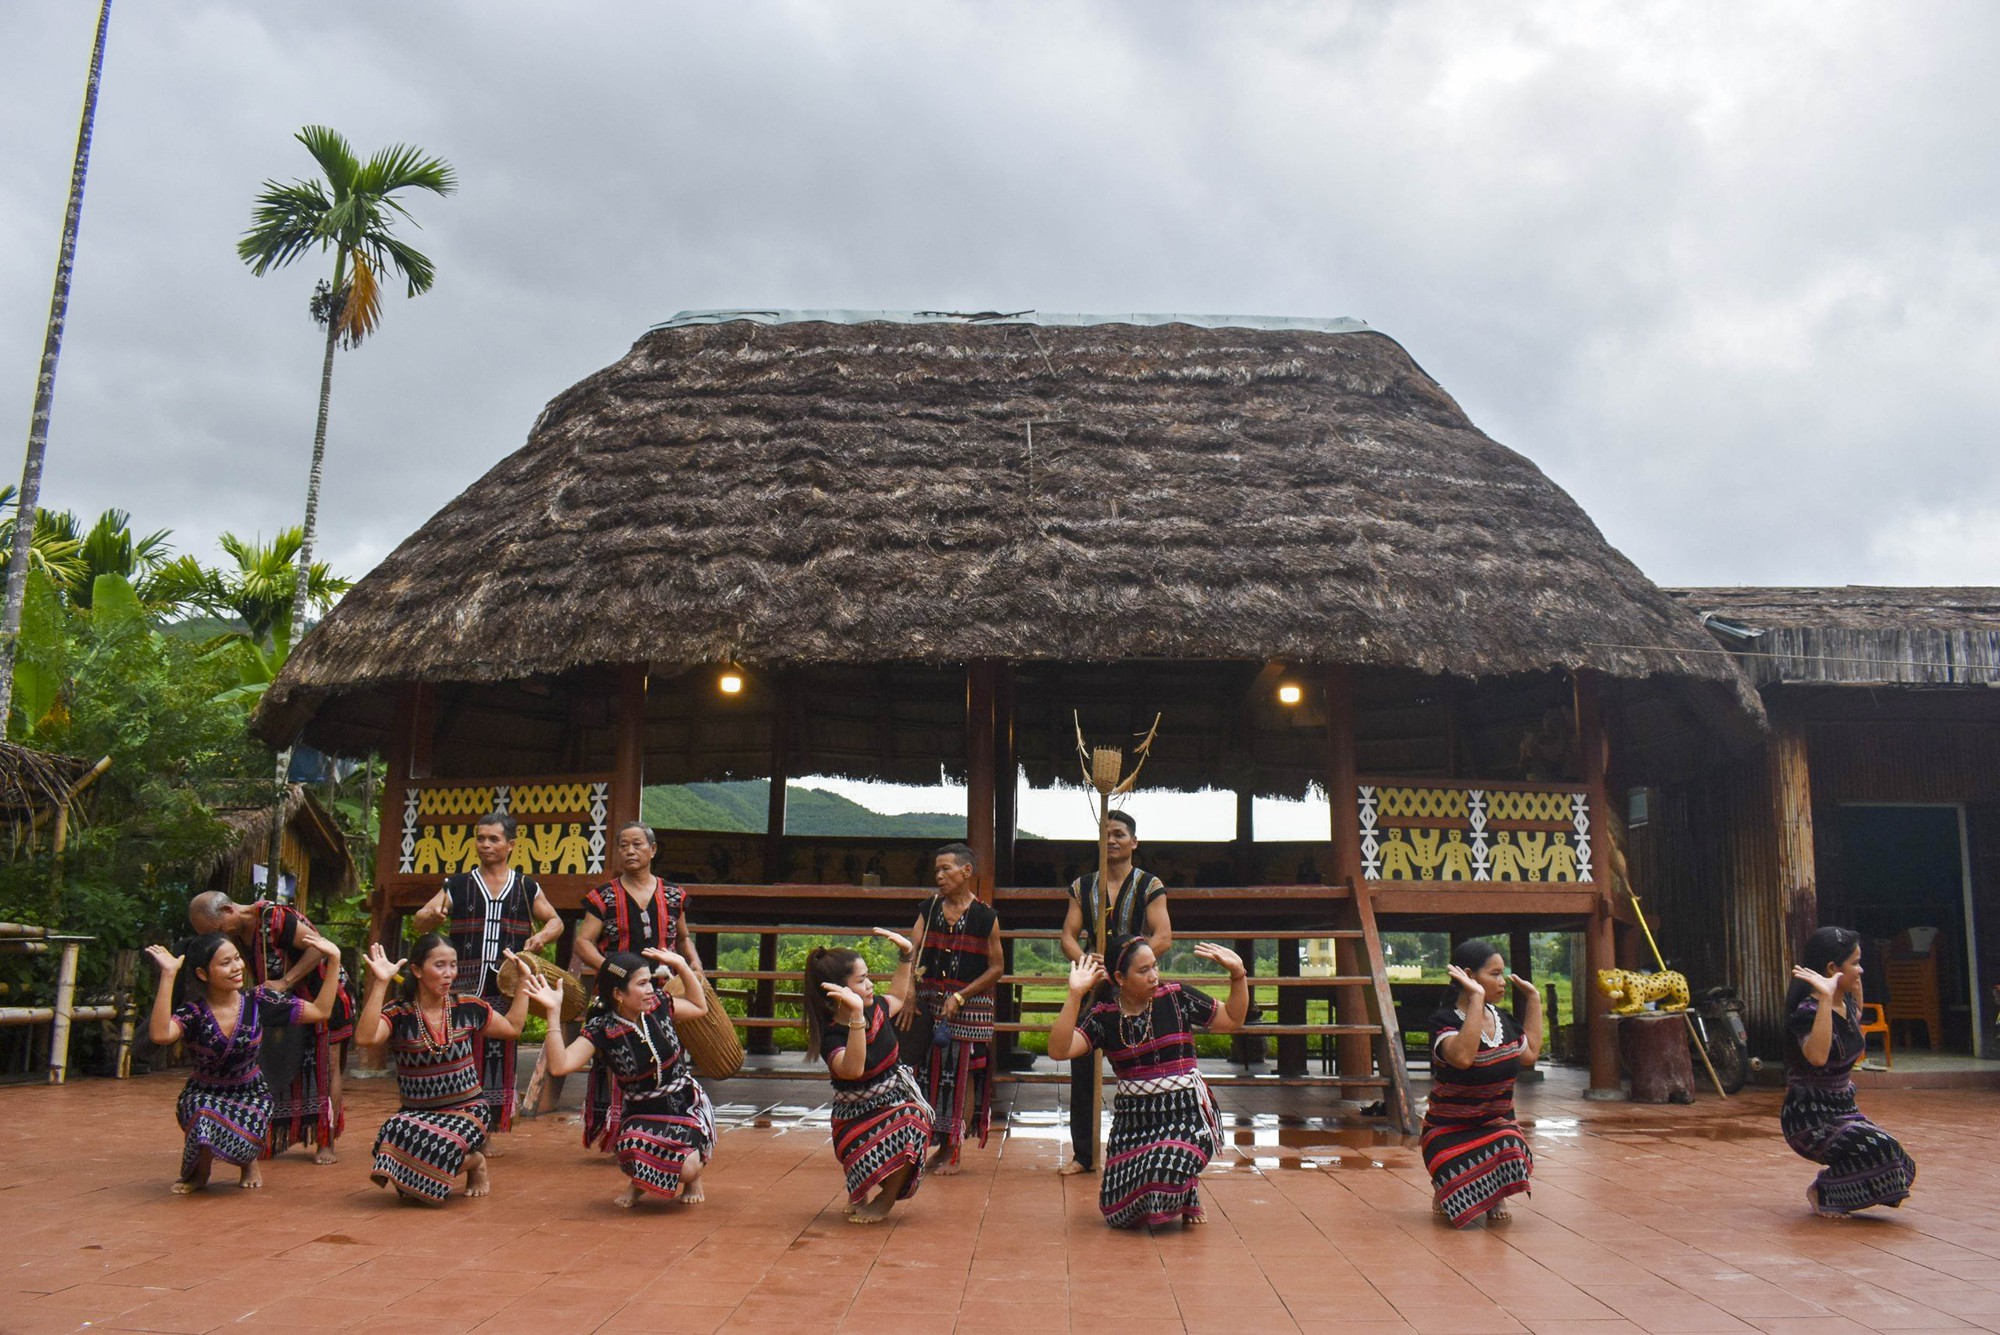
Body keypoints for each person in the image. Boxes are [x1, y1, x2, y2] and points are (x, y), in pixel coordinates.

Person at [1047, 935, 1247, 1228]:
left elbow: (1232, 1018)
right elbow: (1059, 1049)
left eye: (1155, 966)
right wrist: (1074, 995)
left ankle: (1184, 1184)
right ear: (1120, 978)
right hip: (1135, 1124)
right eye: (1143, 971)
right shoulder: (1104, 1017)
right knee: (1117, 1211)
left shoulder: (1177, 997)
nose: (1154, 976)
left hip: (1186, 1115)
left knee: (1161, 1178)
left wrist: (1238, 973)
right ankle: (1183, 1187)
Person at [144, 929, 344, 1193]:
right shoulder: (193, 1013)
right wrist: (168, 976)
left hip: (250, 1094)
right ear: (203, 974)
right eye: (225, 963)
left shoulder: (259, 1001)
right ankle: (200, 1172)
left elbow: (321, 1011)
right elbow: (160, 1035)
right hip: (203, 1093)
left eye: (237, 958)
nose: (237, 967)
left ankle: (248, 1161)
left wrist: (334, 961)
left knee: (244, 1123)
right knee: (203, 1113)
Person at [409, 811, 562, 1148]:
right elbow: (421, 921)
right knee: (460, 1056)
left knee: (498, 1057)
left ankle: (485, 1132)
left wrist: (541, 939)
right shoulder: (457, 884)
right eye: (481, 838)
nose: (485, 845)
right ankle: (458, 1127)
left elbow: (555, 921)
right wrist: (429, 916)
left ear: (511, 845)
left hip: (504, 988)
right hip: (461, 986)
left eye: (493, 839)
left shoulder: (525, 886)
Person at [525, 948, 715, 1207]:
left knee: (687, 1169)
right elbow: (560, 1066)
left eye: (650, 981)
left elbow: (698, 1006)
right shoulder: (602, 1029)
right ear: (618, 994)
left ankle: (693, 1177)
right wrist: (552, 1013)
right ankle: (638, 1184)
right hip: (641, 1113)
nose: (650, 989)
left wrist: (682, 964)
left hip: (684, 1107)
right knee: (632, 1151)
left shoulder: (659, 1005)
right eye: (642, 983)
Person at [353, 935, 532, 1205]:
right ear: (416, 970)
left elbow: (512, 1029)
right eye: (440, 965)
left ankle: (475, 1162)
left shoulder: (468, 1007)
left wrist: (523, 983)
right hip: (416, 1113)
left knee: (438, 1148)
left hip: (467, 1110)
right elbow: (366, 1038)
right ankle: (431, 1172)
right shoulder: (399, 1013)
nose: (449, 974)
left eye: (453, 965)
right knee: (393, 1132)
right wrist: (381, 982)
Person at [188, 889, 353, 1164]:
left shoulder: (274, 918)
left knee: (327, 1066)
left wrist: (285, 982)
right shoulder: (236, 934)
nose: (220, 936)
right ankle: (267, 1136)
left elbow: (318, 945)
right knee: (275, 1064)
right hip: (284, 1005)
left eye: (217, 929)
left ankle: (327, 1141)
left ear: (229, 911)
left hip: (325, 996)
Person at [573, 821, 704, 1150]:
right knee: (616, 1058)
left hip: (662, 992)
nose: (630, 851)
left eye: (637, 845)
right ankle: (619, 1131)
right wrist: (614, 970)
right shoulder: (604, 896)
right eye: (623, 846)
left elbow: (684, 938)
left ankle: (671, 1125)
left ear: (652, 850)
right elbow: (583, 942)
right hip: (616, 996)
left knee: (663, 1052)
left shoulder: (674, 895)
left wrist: (694, 964)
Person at [1057, 810, 1171, 1175]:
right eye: (1105, 835)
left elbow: (1163, 936)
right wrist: (1091, 966)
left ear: (1134, 842)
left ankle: (1150, 1148)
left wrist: (1132, 966)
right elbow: (1068, 936)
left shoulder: (1150, 885)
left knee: (1146, 1065)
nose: (1112, 840)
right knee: (1082, 1066)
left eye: (1119, 834)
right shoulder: (1083, 885)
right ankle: (1084, 1154)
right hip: (1095, 985)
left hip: (1135, 988)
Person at [1784, 925, 1917, 1216]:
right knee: (1879, 1151)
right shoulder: (1808, 1011)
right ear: (1832, 968)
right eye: (1854, 963)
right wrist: (1824, 996)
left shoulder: (1847, 1004)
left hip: (1843, 1109)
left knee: (1901, 1162)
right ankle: (1824, 1190)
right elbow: (1817, 1057)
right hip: (1810, 1118)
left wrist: (1845, 985)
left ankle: (1839, 1188)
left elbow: (1854, 1014)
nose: (1861, 970)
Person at [805, 930, 931, 1224]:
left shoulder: (877, 1009)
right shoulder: (833, 1037)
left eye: (868, 977)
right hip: (854, 1122)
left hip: (892, 1106)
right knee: (910, 1119)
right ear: (839, 991)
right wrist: (857, 1019)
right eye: (861, 981)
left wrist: (906, 956)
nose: (871, 984)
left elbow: (899, 995)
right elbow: (853, 1070)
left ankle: (884, 1199)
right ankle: (865, 1187)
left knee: (914, 1118)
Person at [896, 842, 1003, 1176]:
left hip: (970, 1007)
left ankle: (952, 1148)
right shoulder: (928, 909)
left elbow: (996, 968)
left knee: (962, 1073)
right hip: (929, 1001)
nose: (939, 876)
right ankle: (928, 1140)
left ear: (966, 871)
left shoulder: (986, 917)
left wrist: (962, 996)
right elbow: (909, 953)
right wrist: (910, 991)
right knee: (926, 1071)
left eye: (946, 869)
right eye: (937, 870)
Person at [1423, 938, 1542, 1228]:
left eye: (1503, 973)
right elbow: (1463, 1057)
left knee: (1512, 1146)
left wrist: (1535, 1000)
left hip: (1494, 1126)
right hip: (1448, 1131)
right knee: (1452, 1162)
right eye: (1495, 974)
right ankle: (1445, 1186)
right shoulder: (1445, 1021)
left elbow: (1530, 1055)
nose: (1502, 982)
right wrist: (1476, 998)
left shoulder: (1504, 1020)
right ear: (1469, 975)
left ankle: (1494, 1194)